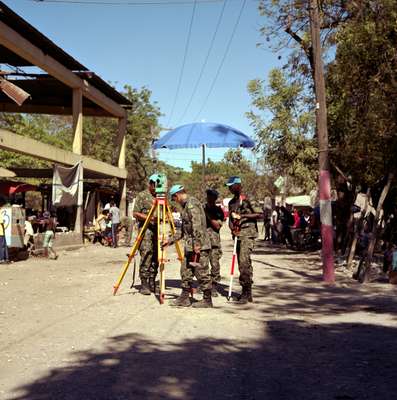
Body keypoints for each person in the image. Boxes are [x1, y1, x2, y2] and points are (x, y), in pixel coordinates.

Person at [164, 184, 213, 308]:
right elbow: (182, 231)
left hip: (199, 246)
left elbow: (197, 226)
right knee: (185, 272)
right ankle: (184, 298)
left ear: (177, 195)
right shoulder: (185, 207)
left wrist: (197, 245)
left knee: (201, 273)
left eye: (174, 199)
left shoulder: (192, 204)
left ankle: (207, 300)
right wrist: (169, 241)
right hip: (190, 246)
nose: (175, 202)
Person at [227, 176, 262, 304]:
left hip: (248, 233)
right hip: (237, 235)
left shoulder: (248, 199)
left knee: (244, 262)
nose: (230, 188)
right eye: (229, 186)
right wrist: (232, 229)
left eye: (232, 186)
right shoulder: (231, 202)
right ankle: (246, 291)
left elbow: (260, 214)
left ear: (238, 185)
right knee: (241, 263)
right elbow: (230, 219)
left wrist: (243, 216)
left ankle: (247, 292)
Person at [133, 175, 158, 295]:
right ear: (150, 184)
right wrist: (149, 218)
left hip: (158, 230)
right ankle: (144, 283)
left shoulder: (161, 197)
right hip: (146, 229)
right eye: (155, 185)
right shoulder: (142, 195)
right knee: (147, 253)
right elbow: (135, 213)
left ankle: (153, 281)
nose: (157, 188)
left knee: (157, 255)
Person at [204, 189, 225, 296]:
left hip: (214, 242)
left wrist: (208, 216)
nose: (210, 198)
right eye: (208, 196)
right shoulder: (202, 208)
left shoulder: (218, 210)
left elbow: (217, 225)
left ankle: (214, 286)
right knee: (202, 265)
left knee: (215, 265)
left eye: (212, 196)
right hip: (203, 241)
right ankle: (204, 285)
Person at [0, 199, 9, 264]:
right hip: (1, 232)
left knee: (3, 246)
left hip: (2, 232)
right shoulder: (0, 213)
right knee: (2, 246)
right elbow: (2, 222)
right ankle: (2, 259)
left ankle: (5, 258)